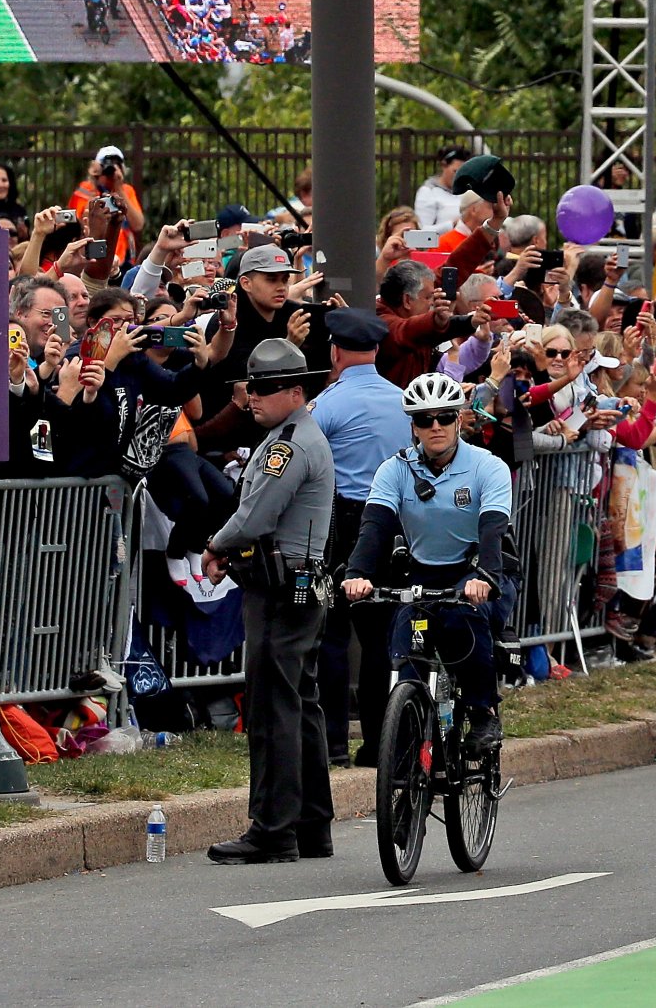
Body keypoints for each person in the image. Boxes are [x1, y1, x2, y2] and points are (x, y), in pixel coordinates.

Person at [204, 338, 336, 865]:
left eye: (264, 388)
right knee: (299, 702)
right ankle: (310, 825)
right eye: (250, 386)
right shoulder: (288, 436)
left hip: (282, 587)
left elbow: (257, 515)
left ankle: (274, 828)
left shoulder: (290, 444)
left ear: (296, 390)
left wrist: (216, 544)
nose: (252, 396)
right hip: (295, 582)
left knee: (273, 706)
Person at [342, 372, 514, 751]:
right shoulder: (395, 469)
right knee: (406, 644)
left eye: (444, 417)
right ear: (413, 426)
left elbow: (492, 531)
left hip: (477, 570)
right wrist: (357, 574)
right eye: (423, 419)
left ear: (458, 419)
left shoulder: (488, 467)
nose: (434, 426)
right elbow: (374, 528)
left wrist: (484, 576)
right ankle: (407, 744)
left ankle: (483, 714)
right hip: (423, 572)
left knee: (464, 619)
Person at [309, 307, 411, 768]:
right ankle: (378, 743)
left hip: (343, 523)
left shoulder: (328, 403)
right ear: (375, 350)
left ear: (335, 352)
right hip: (392, 523)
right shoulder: (402, 399)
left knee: (331, 633)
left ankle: (331, 742)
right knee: (378, 639)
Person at [415, 146, 470, 232]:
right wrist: (452, 224)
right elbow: (421, 231)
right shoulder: (428, 192)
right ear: (444, 165)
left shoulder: (468, 191)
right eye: (455, 171)